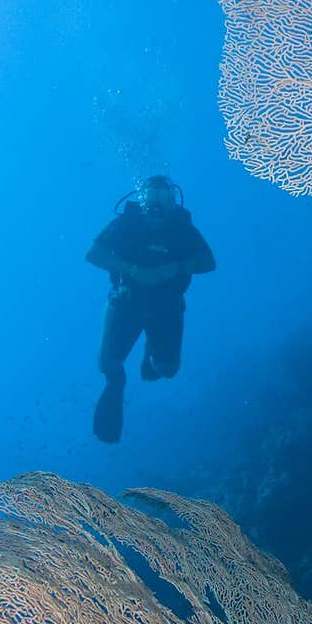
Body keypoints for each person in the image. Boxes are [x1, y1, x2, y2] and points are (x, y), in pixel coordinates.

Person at [86, 175, 216, 443]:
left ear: (172, 200)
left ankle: (150, 354)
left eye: (163, 199)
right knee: (107, 365)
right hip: (126, 301)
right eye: (151, 199)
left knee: (166, 371)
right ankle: (116, 386)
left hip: (167, 305)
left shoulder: (182, 228)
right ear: (142, 199)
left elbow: (208, 262)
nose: (156, 208)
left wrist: (176, 267)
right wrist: (133, 270)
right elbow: (94, 255)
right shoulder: (125, 224)